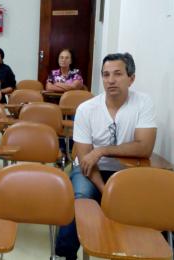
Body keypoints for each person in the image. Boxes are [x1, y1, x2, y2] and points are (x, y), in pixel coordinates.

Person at [55, 53, 157, 259]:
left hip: (128, 171)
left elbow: (144, 147)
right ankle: (64, 255)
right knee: (80, 198)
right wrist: (106, 192)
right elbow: (85, 161)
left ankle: (147, 251)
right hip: (91, 170)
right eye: (106, 74)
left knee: (152, 203)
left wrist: (101, 150)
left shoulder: (143, 103)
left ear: (131, 78)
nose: (110, 80)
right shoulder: (86, 109)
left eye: (118, 74)